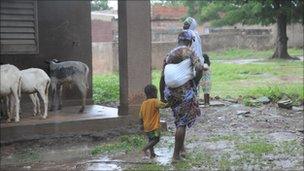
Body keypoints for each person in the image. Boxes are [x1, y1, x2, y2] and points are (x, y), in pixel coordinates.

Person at [159, 30, 203, 161]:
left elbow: (162, 78)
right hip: (184, 92)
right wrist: (195, 81)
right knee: (182, 124)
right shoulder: (189, 52)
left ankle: (182, 149)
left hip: (170, 92)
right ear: (189, 42)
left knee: (178, 121)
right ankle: (175, 156)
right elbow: (200, 68)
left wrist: (162, 96)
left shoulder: (168, 55)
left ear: (178, 41)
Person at [139, 84, 167, 159]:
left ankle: (152, 154)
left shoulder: (144, 103)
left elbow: (141, 116)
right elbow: (164, 105)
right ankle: (144, 149)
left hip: (146, 126)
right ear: (153, 93)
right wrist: (171, 103)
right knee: (156, 139)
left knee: (150, 139)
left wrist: (141, 125)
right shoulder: (155, 101)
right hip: (154, 126)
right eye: (156, 92)